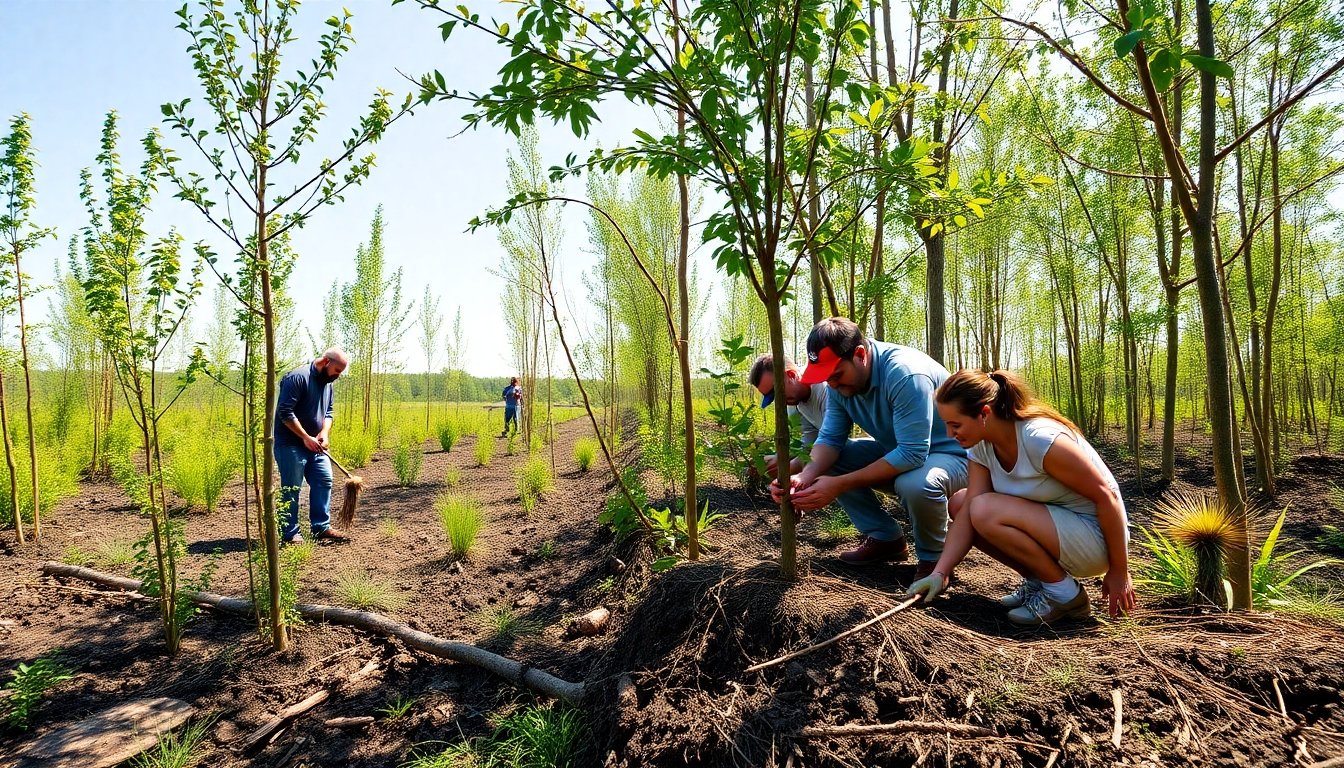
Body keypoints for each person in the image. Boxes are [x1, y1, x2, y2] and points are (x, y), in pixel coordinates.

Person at [905, 369, 1136, 626]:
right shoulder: (981, 444)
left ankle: (1065, 596)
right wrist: (940, 573)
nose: (950, 434)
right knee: (962, 503)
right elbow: (969, 507)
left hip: (1098, 537)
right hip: (1059, 530)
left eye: (955, 425)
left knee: (983, 509)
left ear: (984, 414)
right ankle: (1042, 583)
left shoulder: (1040, 440)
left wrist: (1119, 571)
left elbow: (1108, 498)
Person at [772, 318, 968, 577]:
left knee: (915, 484)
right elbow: (830, 440)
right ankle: (885, 539)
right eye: (826, 379)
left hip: (955, 458)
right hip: (904, 454)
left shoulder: (905, 374)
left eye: (837, 375)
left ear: (860, 355)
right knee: (835, 459)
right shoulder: (838, 386)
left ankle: (935, 561)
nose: (832, 385)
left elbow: (913, 453)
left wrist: (839, 484)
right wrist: (803, 478)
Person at [274, 348, 350, 545]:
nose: (338, 375)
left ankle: (321, 527)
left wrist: (324, 433)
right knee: (292, 487)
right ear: (325, 361)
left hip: (317, 446)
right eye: (337, 370)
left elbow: (329, 412)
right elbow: (285, 412)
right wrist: (305, 437)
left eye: (341, 372)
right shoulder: (298, 378)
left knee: (324, 480)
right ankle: (290, 533)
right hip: (290, 444)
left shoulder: (327, 383)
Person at [748, 354, 829, 475]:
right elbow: (810, 442)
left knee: (834, 462)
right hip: (831, 444)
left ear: (791, 375)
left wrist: (787, 470)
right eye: (772, 397)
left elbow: (832, 444)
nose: (779, 401)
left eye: (777, 392)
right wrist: (780, 458)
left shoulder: (824, 390)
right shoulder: (793, 403)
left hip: (847, 447)